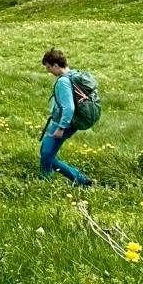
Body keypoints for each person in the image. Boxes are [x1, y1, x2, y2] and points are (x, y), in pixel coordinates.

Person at [39, 48, 91, 186]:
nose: (48, 71)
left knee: (47, 155)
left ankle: (81, 180)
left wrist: (61, 127)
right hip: (65, 122)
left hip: (63, 123)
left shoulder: (63, 82)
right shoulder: (73, 74)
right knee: (46, 150)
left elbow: (69, 108)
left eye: (49, 67)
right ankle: (45, 179)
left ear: (56, 65)